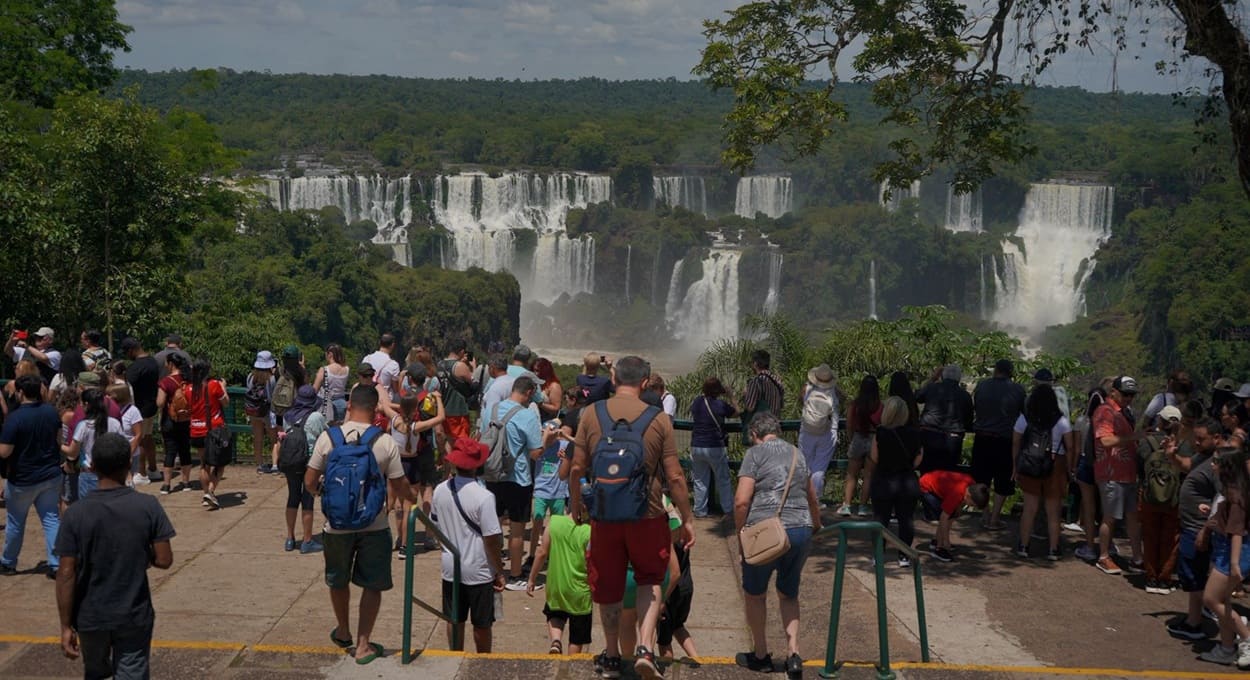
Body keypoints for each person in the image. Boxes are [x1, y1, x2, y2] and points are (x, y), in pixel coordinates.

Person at [569, 355, 696, 680]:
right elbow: (675, 476)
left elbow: (577, 468)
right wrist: (687, 518)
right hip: (648, 513)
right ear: (645, 383)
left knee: (608, 585)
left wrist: (576, 506)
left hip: (604, 514)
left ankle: (612, 655)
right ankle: (644, 648)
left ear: (613, 379)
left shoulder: (591, 414)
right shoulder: (658, 419)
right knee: (650, 580)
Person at [53, 432, 174, 679]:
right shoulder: (147, 506)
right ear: (129, 463)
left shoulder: (75, 514)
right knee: (133, 670)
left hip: (90, 615)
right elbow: (164, 560)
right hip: (133, 613)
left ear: (92, 467)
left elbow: (66, 572)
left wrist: (65, 626)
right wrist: (141, 553)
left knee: (95, 671)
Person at [305, 384, 409, 665]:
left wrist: (325, 496)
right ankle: (363, 645)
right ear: (376, 410)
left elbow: (310, 481)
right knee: (372, 584)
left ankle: (343, 630)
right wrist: (411, 499)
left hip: (336, 526)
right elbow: (399, 484)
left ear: (349, 405)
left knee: (338, 579)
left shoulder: (329, 438)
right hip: (374, 525)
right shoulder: (384, 442)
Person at [733, 412, 820, 678]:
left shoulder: (754, 454)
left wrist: (741, 535)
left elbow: (741, 501)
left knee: (755, 594)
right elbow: (812, 496)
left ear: (754, 434)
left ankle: (761, 655)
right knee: (788, 593)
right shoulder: (797, 454)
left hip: (766, 531)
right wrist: (816, 524)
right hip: (800, 528)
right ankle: (793, 654)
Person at [430, 437, 506, 653]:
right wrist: (499, 571)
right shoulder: (484, 497)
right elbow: (491, 540)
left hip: (450, 567)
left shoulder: (440, 490)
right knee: (482, 623)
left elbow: (435, 525)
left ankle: (455, 656)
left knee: (454, 619)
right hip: (479, 570)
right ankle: (483, 662)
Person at [481, 376, 556, 590]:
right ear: (530, 392)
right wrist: (547, 439)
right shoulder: (527, 415)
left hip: (492, 473)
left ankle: (492, 570)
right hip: (518, 478)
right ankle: (515, 575)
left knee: (492, 526)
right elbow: (535, 453)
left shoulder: (491, 410)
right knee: (516, 530)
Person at [0, 375, 64, 578]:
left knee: (15, 522)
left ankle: (8, 563)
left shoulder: (15, 418)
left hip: (22, 479)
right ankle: (56, 564)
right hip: (50, 475)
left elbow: (4, 452)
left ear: (20, 392)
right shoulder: (51, 412)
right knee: (51, 519)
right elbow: (59, 440)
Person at [1165, 418, 1221, 641]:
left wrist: (1206, 530)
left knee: (1194, 576)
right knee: (1192, 575)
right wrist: (1172, 456)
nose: (1196, 443)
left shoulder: (1218, 463)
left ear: (1216, 438)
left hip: (1199, 529)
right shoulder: (1203, 456)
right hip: (1191, 526)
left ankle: (1196, 623)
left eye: (1201, 439)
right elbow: (1187, 465)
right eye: (1195, 438)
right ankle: (1194, 618)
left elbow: (1223, 499)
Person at [1197, 449, 1250, 667]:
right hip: (1224, 550)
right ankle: (1227, 648)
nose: (1212, 464)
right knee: (1221, 600)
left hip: (1233, 552)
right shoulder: (1230, 489)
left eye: (1217, 461)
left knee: (1211, 599)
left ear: (1227, 466)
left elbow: (1237, 532)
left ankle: (1246, 637)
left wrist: (1235, 563)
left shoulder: (1236, 494)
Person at [1011, 384, 1074, 561]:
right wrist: (1069, 469)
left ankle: (1024, 546)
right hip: (1055, 465)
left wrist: (1015, 465)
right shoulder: (1061, 421)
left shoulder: (1025, 418)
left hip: (1030, 464)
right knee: (1053, 511)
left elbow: (1016, 442)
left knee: (1029, 509)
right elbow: (1070, 446)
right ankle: (1053, 549)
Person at [527, 487, 593, 655]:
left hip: (556, 585)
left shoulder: (554, 522)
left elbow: (541, 553)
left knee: (556, 613)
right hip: (580, 590)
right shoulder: (590, 531)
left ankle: (556, 641)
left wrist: (532, 578)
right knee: (577, 636)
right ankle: (570, 663)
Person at [1093, 376, 1145, 575]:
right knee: (1110, 517)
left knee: (1133, 517)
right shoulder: (1105, 411)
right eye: (1125, 394)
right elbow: (1105, 441)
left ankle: (1138, 558)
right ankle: (1103, 556)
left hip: (1127, 473)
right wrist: (1134, 437)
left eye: (1131, 395)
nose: (1128, 398)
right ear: (1113, 392)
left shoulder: (1123, 412)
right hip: (1111, 473)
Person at [971, 359, 1027, 530]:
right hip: (1005, 441)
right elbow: (1024, 414)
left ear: (995, 370)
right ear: (1011, 372)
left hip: (982, 438)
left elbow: (976, 407)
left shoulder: (982, 386)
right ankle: (995, 518)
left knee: (982, 478)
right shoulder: (1018, 390)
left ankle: (985, 515)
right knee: (1003, 480)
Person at [870, 397, 923, 566]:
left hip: (884, 480)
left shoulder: (880, 432)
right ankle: (904, 555)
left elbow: (874, 457)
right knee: (906, 519)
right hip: (907, 481)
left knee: (880, 519)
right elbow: (918, 459)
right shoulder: (914, 433)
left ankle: (878, 554)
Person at [391, 387, 445, 556]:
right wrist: (438, 398)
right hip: (412, 463)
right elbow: (440, 418)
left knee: (397, 503)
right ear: (416, 409)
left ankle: (398, 538)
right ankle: (406, 546)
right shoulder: (416, 426)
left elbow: (384, 405)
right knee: (410, 506)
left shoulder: (394, 420)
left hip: (397, 463)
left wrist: (398, 406)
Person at [1137, 405, 1184, 592]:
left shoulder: (1147, 441)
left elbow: (1140, 467)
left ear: (1160, 421)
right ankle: (1165, 578)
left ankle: (1151, 577)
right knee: (1170, 537)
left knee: (1149, 535)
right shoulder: (1183, 445)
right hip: (1174, 498)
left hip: (1149, 496)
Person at [282, 386, 327, 554]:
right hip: (309, 463)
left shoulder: (288, 415)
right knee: (308, 500)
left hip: (291, 461)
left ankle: (290, 538)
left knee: (293, 497)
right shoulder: (316, 417)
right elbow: (325, 435)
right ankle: (307, 541)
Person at [1069, 385, 1110, 562]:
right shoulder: (1108, 421)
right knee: (1105, 506)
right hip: (1104, 464)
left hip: (1085, 463)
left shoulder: (1081, 421)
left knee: (1088, 506)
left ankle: (1090, 546)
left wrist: (1073, 467)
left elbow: (1077, 449)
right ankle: (1108, 544)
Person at [689, 376, 737, 518]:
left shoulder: (697, 402)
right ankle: (728, 510)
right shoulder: (719, 405)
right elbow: (737, 412)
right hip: (714, 446)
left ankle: (700, 511)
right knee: (723, 479)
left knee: (700, 480)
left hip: (697, 445)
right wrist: (731, 396)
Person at [920, 469, 990, 562]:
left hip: (937, 484)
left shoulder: (972, 485)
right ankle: (939, 548)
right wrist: (946, 541)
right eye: (972, 504)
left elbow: (960, 500)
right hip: (926, 487)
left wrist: (959, 508)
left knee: (952, 514)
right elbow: (943, 518)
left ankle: (936, 541)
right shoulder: (957, 494)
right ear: (968, 496)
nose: (970, 506)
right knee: (946, 516)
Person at [120, 337, 163, 485]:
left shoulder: (136, 367)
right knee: (148, 437)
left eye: (126, 352)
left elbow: (126, 387)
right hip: (151, 406)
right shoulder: (153, 362)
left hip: (140, 408)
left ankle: (141, 472)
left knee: (141, 440)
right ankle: (153, 469)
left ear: (131, 350)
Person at [187, 359, 229, 510]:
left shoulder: (188, 388)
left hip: (196, 429)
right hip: (214, 430)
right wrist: (223, 387)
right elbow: (225, 402)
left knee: (204, 464)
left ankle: (206, 494)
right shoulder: (214, 385)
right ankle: (210, 491)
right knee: (219, 463)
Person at [915, 365, 973, 473]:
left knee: (927, 473)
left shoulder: (932, 388)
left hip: (929, 435)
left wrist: (933, 379)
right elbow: (968, 421)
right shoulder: (965, 396)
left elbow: (917, 396)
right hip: (953, 439)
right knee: (948, 474)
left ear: (942, 377)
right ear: (959, 379)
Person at [799, 364, 841, 508]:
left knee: (805, 465)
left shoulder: (807, 389)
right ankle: (815, 499)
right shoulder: (833, 391)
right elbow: (839, 405)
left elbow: (801, 403)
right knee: (819, 467)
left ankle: (804, 498)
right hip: (827, 432)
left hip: (807, 431)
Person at [841, 374, 882, 517]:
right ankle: (863, 506)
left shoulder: (855, 404)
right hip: (873, 439)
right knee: (868, 476)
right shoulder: (879, 406)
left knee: (852, 474)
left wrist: (851, 439)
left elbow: (849, 424)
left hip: (858, 437)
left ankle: (847, 505)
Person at [156, 353, 194, 494]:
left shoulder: (166, 382)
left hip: (170, 420)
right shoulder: (188, 379)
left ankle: (166, 485)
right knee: (185, 450)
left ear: (171, 364)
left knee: (170, 451)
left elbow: (160, 402)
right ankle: (186, 482)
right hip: (187, 419)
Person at [436, 340, 477, 448]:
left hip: (443, 409)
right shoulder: (460, 366)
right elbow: (473, 382)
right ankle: (459, 459)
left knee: (449, 439)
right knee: (462, 441)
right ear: (462, 351)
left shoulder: (439, 365)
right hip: (458, 410)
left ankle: (448, 459)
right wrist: (473, 367)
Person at [741, 350, 784, 445]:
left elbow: (750, 407)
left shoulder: (756, 382)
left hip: (760, 433)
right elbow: (781, 406)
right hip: (774, 430)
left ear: (755, 364)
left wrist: (745, 395)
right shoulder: (777, 382)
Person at [246, 351, 278, 474]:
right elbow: (272, 397)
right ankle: (275, 465)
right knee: (274, 439)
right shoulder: (271, 378)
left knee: (258, 438)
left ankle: (259, 465)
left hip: (253, 410)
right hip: (268, 412)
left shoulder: (250, 376)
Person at [314, 343, 350, 424]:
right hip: (342, 403)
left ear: (330, 354)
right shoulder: (346, 369)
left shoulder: (324, 370)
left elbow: (314, 390)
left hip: (327, 405)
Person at [362, 333, 402, 402]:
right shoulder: (393, 364)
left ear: (380, 343)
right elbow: (395, 389)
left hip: (367, 397)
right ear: (392, 345)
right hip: (384, 400)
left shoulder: (367, 359)